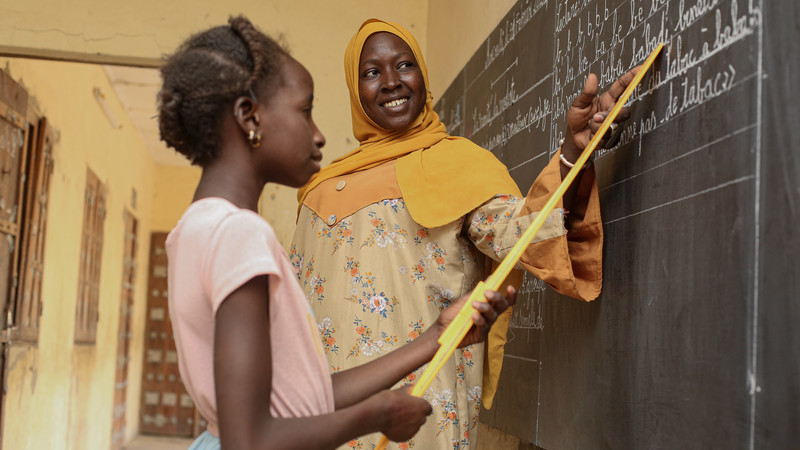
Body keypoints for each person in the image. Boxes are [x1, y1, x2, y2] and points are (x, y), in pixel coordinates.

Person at [161, 16, 516, 450]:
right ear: (249, 117)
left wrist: (433, 340)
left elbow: (298, 400)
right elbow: (250, 438)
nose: (319, 134)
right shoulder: (241, 235)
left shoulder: (192, 229)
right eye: (305, 111)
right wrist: (374, 415)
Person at [290, 19, 638, 449]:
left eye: (404, 65)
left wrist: (573, 152)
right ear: (353, 88)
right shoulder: (317, 191)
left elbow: (525, 239)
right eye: (371, 72)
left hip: (422, 416)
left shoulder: (459, 165)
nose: (392, 82)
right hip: (325, 422)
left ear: (423, 77)